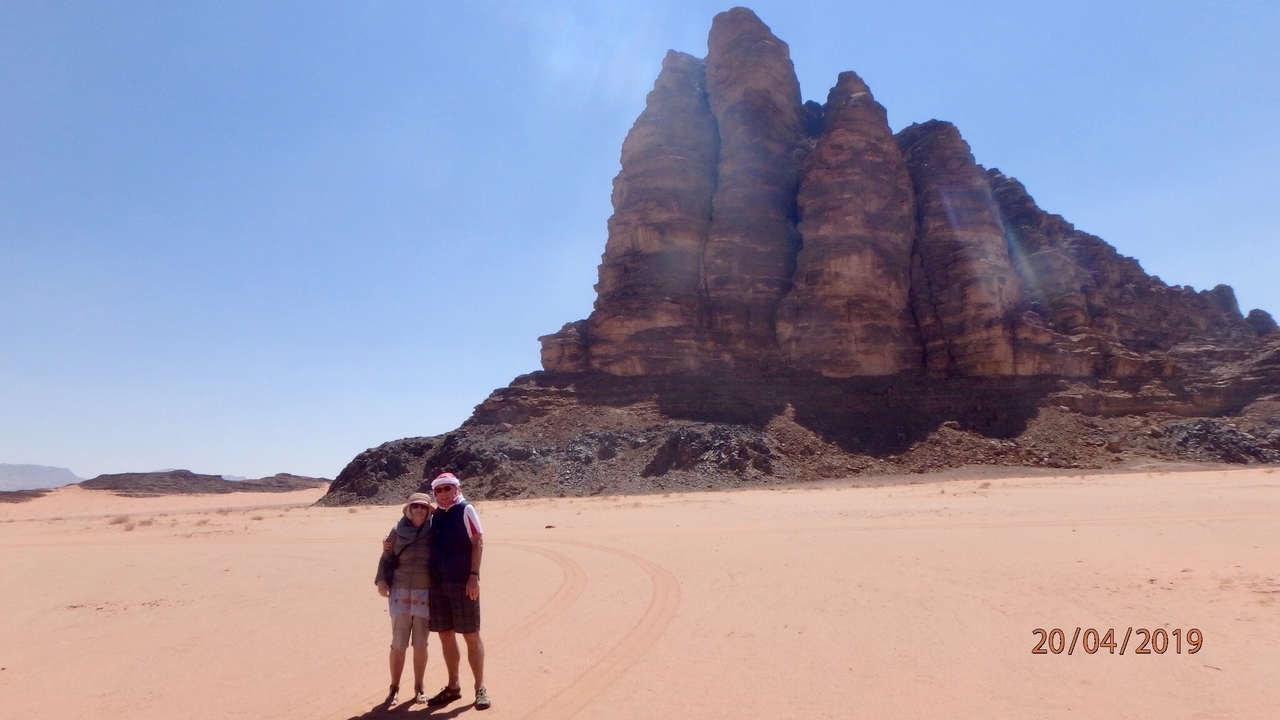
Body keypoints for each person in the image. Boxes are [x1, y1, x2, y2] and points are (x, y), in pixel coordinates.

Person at [424, 472, 490, 710]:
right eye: (438, 490)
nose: (443, 494)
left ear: (456, 488)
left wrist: (473, 577)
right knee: (445, 634)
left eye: (447, 488)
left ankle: (480, 688)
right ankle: (453, 686)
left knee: (471, 634)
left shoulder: (466, 509)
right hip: (438, 585)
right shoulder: (436, 515)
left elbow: (478, 542)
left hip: (462, 584)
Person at [374, 492, 434, 706]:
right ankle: (394, 688)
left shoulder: (434, 531)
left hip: (424, 592)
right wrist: (381, 580)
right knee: (398, 643)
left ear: (429, 511)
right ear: (408, 509)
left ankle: (419, 687)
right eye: (415, 506)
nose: (419, 509)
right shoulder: (396, 531)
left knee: (420, 644)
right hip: (400, 592)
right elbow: (386, 558)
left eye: (424, 507)